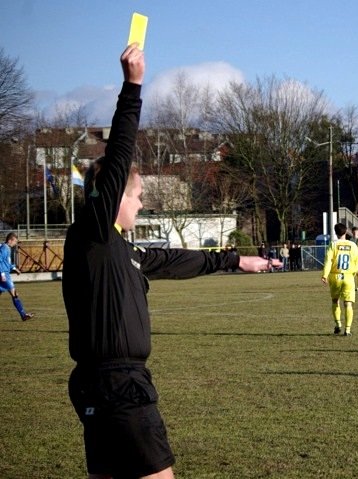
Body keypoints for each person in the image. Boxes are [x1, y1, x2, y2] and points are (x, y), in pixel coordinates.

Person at [63, 45, 281, 479]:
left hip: (101, 387)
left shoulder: (123, 250)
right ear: (113, 197)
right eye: (139, 196)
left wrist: (236, 262)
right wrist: (133, 87)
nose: (142, 205)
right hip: (119, 385)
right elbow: (120, 153)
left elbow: (176, 260)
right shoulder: (95, 234)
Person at [321, 223, 358, 336]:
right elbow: (356, 263)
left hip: (335, 276)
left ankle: (338, 324)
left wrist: (325, 275)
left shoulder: (333, 245)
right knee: (348, 304)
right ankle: (347, 330)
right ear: (346, 231)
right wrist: (352, 274)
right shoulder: (353, 245)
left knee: (335, 301)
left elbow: (328, 261)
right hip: (348, 276)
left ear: (335, 232)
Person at [0, 232, 34, 321]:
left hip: (5, 274)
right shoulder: (4, 248)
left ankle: (23, 315)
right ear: (10, 240)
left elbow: (7, 262)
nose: (15, 244)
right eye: (15, 241)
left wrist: (14, 268)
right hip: (4, 275)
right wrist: (2, 274)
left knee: (13, 294)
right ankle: (23, 315)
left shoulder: (7, 248)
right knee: (15, 293)